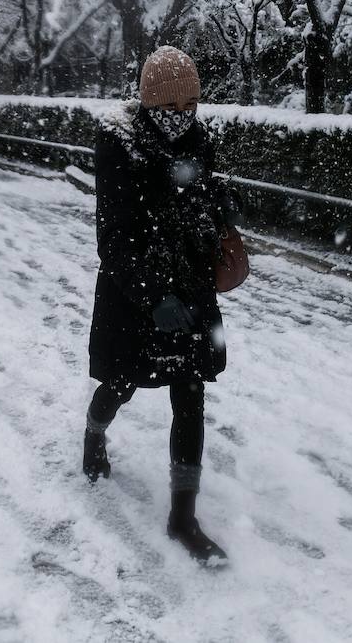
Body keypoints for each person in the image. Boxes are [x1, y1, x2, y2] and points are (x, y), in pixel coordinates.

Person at [83, 45, 239, 565]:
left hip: (190, 285)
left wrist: (220, 206)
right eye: (173, 109)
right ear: (150, 103)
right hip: (136, 292)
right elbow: (116, 238)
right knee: (122, 382)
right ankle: (94, 437)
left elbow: (202, 197)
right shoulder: (119, 145)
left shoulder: (199, 138)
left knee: (190, 396)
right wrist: (153, 297)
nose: (184, 118)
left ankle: (183, 518)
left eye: (192, 106)